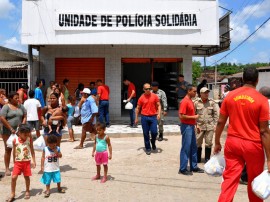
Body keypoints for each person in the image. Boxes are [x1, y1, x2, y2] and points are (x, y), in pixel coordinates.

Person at [214, 67, 270, 202]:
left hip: (233, 143)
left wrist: (217, 142)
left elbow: (221, 122)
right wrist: (269, 158)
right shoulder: (262, 100)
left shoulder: (230, 96)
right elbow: (264, 131)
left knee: (229, 180)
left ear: (243, 79)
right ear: (257, 80)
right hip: (253, 145)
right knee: (255, 181)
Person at [6, 124, 36, 201]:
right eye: (24, 134)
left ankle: (27, 191)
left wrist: (33, 160)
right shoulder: (14, 140)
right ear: (19, 133)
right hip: (18, 162)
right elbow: (14, 151)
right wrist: (14, 160)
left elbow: (32, 150)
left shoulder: (29, 139)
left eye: (27, 134)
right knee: (13, 177)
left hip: (26, 162)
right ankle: (12, 193)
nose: (26, 136)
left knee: (26, 177)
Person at [178, 85, 204, 175]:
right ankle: (183, 168)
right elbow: (181, 116)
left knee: (193, 147)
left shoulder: (190, 101)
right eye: (194, 91)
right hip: (186, 126)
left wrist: (196, 125)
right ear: (189, 91)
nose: (195, 93)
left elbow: (191, 114)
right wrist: (194, 117)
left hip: (191, 126)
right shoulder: (185, 101)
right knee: (186, 148)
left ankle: (194, 166)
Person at [0, 92, 26, 176]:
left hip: (19, 131)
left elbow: (25, 115)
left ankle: (17, 167)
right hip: (7, 132)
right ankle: (7, 168)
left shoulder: (21, 106)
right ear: (10, 99)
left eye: (18, 98)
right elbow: (2, 118)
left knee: (18, 149)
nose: (18, 99)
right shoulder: (6, 107)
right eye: (16, 98)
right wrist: (10, 128)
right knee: (8, 149)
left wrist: (22, 124)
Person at [135, 83, 161, 155]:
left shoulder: (155, 96)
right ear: (143, 89)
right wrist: (136, 118)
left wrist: (158, 114)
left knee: (154, 132)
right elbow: (138, 108)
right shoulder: (141, 98)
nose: (148, 90)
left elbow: (159, 105)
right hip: (144, 117)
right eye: (146, 89)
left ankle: (153, 142)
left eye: (149, 88)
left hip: (153, 117)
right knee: (146, 133)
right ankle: (148, 148)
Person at [194, 87, 218, 163]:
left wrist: (215, 124)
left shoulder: (212, 102)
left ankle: (207, 159)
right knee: (198, 143)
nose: (206, 94)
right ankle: (198, 159)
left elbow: (216, 114)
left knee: (209, 143)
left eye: (207, 92)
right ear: (200, 93)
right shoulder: (196, 102)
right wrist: (195, 124)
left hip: (209, 126)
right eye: (204, 93)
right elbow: (193, 114)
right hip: (199, 126)